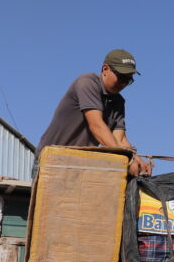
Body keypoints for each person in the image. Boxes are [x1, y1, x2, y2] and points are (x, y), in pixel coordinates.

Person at [35, 49, 152, 177]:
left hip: (78, 163)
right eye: (121, 77)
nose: (123, 83)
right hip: (51, 158)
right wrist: (128, 159)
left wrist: (138, 160)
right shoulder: (88, 82)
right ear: (105, 69)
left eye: (128, 80)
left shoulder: (118, 101)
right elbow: (96, 125)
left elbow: (120, 140)